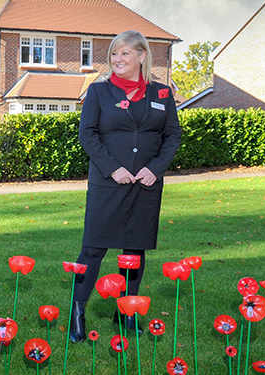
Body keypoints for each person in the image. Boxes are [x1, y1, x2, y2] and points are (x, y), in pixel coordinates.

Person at [69, 30, 181, 342]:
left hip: (145, 185)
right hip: (108, 183)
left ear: (142, 56)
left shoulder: (161, 94)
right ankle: (77, 313)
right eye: (114, 54)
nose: (117, 59)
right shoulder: (99, 92)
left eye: (124, 54)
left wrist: (155, 169)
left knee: (134, 250)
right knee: (92, 249)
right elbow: (87, 135)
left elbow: (172, 136)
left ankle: (127, 313)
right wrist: (112, 168)